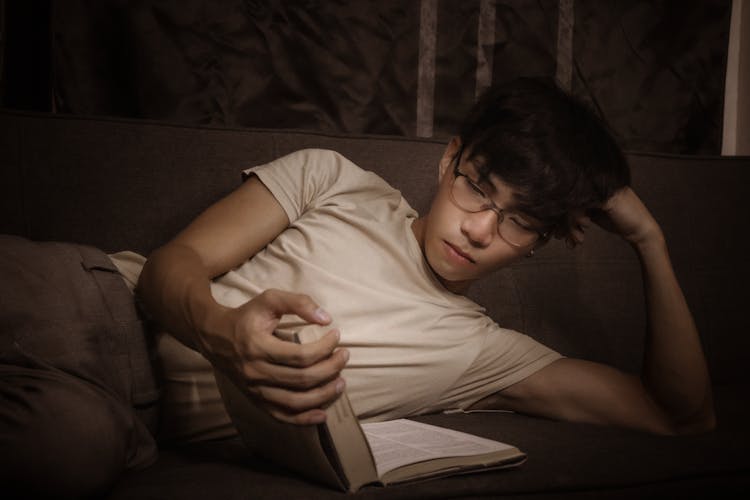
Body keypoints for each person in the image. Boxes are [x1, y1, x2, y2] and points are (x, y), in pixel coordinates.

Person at [136, 77, 715, 437]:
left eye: (520, 222)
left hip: (124, 429)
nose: (481, 229)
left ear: (544, 241)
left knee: (72, 448)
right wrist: (221, 332)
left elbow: (681, 417)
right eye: (478, 188)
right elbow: (167, 266)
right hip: (102, 305)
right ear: (449, 160)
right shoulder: (334, 180)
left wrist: (649, 241)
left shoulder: (483, 352)